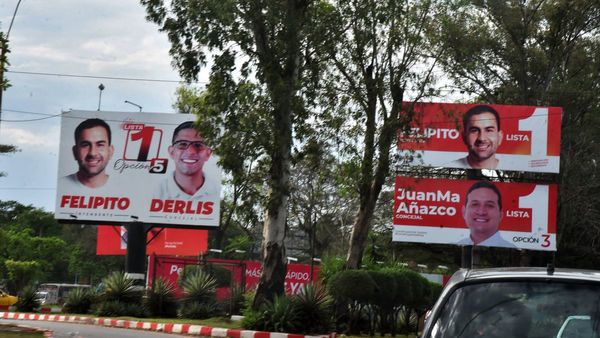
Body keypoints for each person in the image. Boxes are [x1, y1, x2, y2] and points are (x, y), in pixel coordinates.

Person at [154, 121, 219, 200]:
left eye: (198, 145)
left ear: (208, 154)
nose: (191, 152)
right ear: (171, 152)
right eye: (182, 144)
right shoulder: (156, 192)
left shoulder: (216, 192)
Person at [457, 180, 515, 248]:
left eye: (489, 205)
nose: (481, 212)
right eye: (475, 204)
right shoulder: (457, 245)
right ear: (464, 212)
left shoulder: (509, 248)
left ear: (501, 214)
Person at [60, 118, 114, 189]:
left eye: (100, 145)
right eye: (85, 145)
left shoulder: (123, 188)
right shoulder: (62, 184)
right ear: (75, 152)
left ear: (110, 151)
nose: (92, 153)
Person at [451, 105, 503, 169]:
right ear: (464, 137)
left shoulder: (511, 167)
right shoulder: (452, 167)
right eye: (474, 131)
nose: (481, 138)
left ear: (500, 137)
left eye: (489, 130)